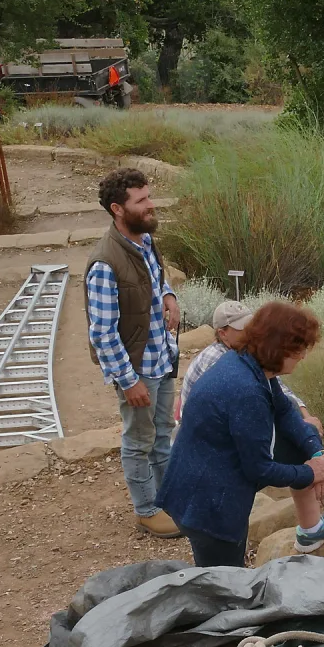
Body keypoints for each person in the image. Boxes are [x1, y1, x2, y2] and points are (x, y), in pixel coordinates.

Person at [157, 302, 324, 566]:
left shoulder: (248, 362)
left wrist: (316, 453)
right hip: (207, 505)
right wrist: (311, 472)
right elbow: (259, 470)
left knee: (298, 434)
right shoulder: (246, 391)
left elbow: (286, 411)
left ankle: (312, 530)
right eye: (298, 350)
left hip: (211, 480)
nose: (302, 357)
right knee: (225, 587)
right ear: (278, 349)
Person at [85, 167, 182, 539]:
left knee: (162, 433)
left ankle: (168, 499)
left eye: (149, 196)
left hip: (161, 358)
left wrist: (169, 295)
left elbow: (156, 276)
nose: (151, 205)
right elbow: (103, 334)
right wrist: (129, 382)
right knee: (138, 440)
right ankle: (146, 510)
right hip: (138, 370)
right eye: (141, 200)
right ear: (117, 209)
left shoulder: (143, 240)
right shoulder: (105, 264)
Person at [176, 300, 322, 432]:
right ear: (223, 333)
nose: (251, 331)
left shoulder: (240, 353)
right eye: (242, 328)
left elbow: (275, 386)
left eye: (250, 324)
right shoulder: (220, 361)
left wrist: (303, 412)